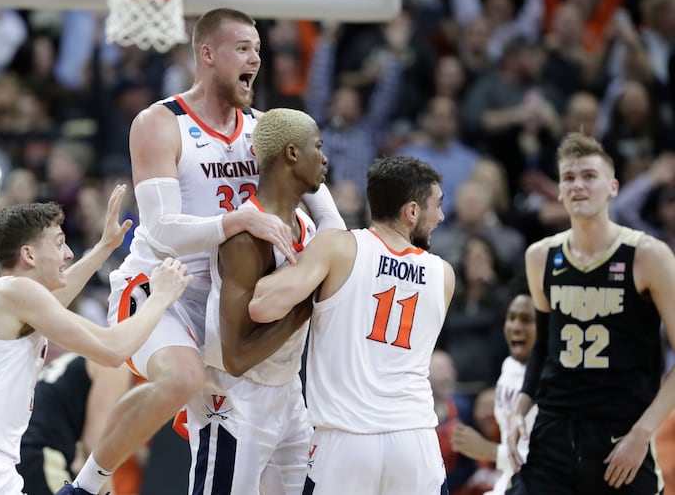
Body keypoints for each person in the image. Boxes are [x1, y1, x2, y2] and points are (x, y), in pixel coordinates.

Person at [63, 7, 344, 495]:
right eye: (243, 48)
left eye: (257, 49)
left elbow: (331, 223)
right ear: (207, 54)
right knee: (183, 378)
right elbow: (162, 229)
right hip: (161, 290)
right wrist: (237, 220)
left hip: (230, 296)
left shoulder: (268, 129)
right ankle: (88, 484)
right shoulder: (160, 121)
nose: (255, 57)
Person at [0, 185, 191, 495]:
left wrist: (103, 248)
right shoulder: (15, 291)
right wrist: (160, 298)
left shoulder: (13, 299)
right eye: (59, 244)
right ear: (29, 254)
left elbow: (56, 296)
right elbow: (113, 350)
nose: (68, 253)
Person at [249, 156, 455, 494]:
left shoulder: (340, 248)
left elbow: (261, 306)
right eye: (437, 206)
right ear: (412, 212)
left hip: (344, 441)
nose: (442, 217)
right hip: (415, 440)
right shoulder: (444, 275)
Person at [506, 131, 675, 494]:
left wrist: (643, 434)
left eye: (588, 176)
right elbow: (542, 349)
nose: (577, 185)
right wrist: (519, 411)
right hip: (553, 432)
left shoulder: (648, 255)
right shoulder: (540, 256)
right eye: (568, 178)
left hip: (620, 434)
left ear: (612, 187)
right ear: (560, 190)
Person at [187, 107, 325, 493]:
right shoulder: (246, 236)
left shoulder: (307, 223)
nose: (325, 157)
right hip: (236, 396)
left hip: (288, 392)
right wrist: (304, 308)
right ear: (292, 154)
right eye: (318, 146)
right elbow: (236, 357)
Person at [451, 278, 537, 495]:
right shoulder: (508, 367)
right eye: (511, 318)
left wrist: (486, 450)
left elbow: (546, 464)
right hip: (509, 482)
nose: (516, 326)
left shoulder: (552, 380)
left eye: (526, 320)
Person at [17, 353, 134, 495]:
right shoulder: (115, 364)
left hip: (22, 449)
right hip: (43, 456)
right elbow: (95, 444)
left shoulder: (84, 354)